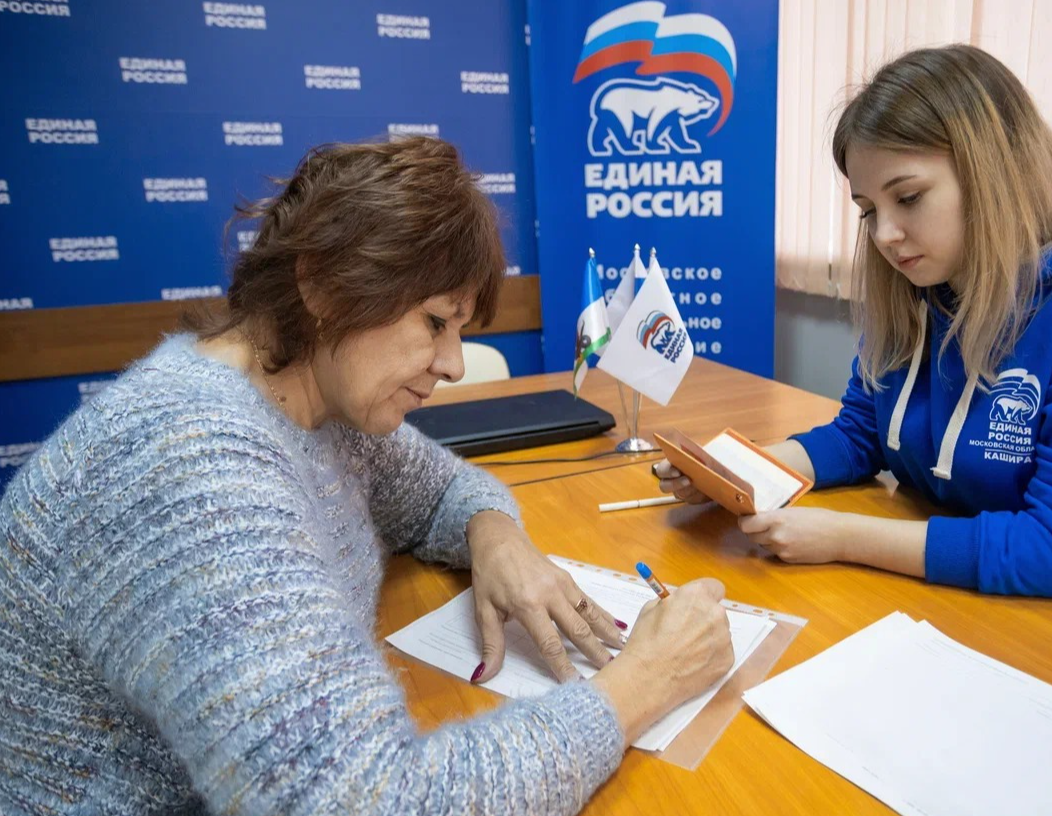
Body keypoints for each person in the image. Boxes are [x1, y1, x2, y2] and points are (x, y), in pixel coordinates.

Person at [0, 137, 734, 815]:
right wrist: (641, 685)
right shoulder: (187, 466)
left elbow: (444, 489)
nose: (451, 365)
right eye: (435, 322)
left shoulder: (311, 403)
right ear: (323, 286)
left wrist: (497, 539)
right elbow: (369, 802)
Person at [658, 44, 1052, 601]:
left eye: (909, 198)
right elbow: (860, 436)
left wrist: (843, 537)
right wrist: (739, 472)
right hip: (960, 603)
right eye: (869, 210)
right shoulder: (926, 285)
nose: (884, 235)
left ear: (994, 169)